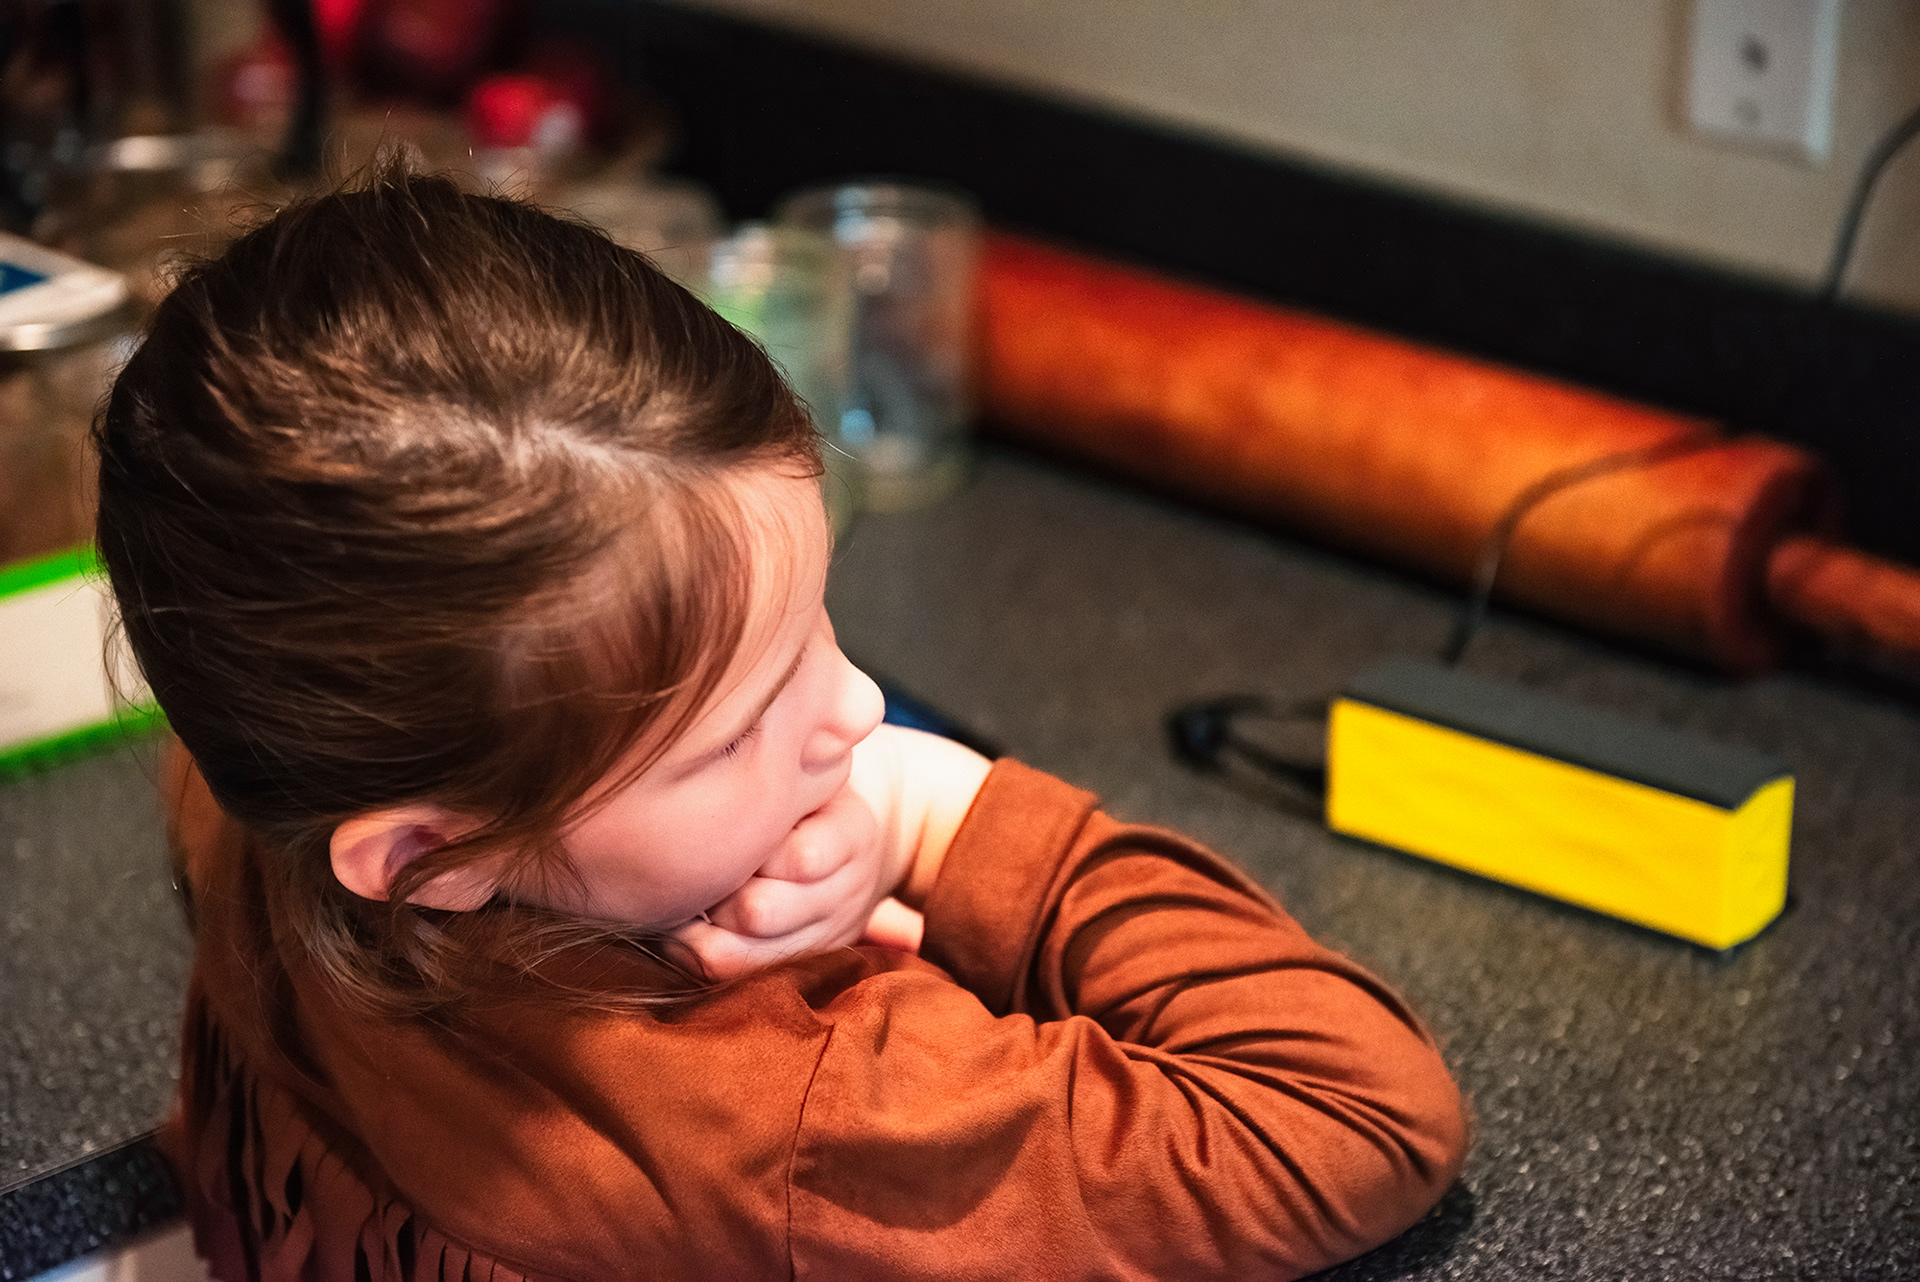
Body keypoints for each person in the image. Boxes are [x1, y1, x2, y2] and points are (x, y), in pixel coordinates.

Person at [97, 166, 1467, 1281]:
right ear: (428, 857)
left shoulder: (256, 787)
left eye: (818, 618)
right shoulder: (797, 1106)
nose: (859, 708)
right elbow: (1359, 1110)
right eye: (738, 723)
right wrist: (938, 811)